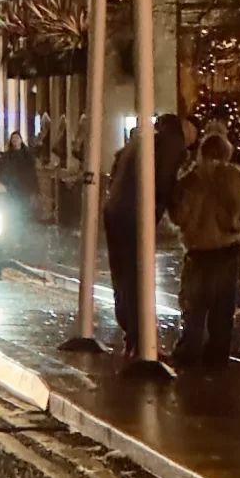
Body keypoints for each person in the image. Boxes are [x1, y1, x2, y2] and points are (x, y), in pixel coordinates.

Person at [171, 129, 240, 363]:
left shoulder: (191, 180)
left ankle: (188, 350)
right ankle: (217, 355)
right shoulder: (236, 179)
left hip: (198, 250)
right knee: (222, 307)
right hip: (227, 249)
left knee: (194, 304)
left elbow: (179, 215)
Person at [102, 135, 140, 351]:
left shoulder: (121, 160)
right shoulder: (129, 163)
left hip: (117, 218)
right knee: (130, 276)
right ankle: (134, 330)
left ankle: (130, 327)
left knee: (123, 277)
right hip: (127, 220)